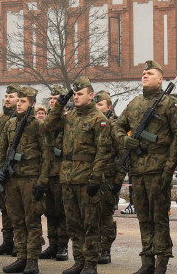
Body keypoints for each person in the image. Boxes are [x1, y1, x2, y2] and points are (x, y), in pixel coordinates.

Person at [114, 60, 177, 274]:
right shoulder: (135, 103)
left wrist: (169, 167)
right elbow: (117, 125)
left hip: (158, 168)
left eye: (150, 73)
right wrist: (124, 140)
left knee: (159, 217)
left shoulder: (170, 103)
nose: (145, 75)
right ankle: (147, 260)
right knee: (143, 216)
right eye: (144, 73)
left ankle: (162, 260)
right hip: (137, 168)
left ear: (160, 79)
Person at [45, 77, 114, 274]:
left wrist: (95, 178)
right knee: (73, 224)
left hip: (86, 180)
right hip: (67, 178)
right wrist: (59, 104)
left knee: (90, 224)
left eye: (79, 94)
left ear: (90, 96)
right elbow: (49, 126)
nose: (76, 97)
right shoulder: (70, 117)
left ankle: (91, 264)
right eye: (74, 94)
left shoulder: (99, 120)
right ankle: (79, 261)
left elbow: (103, 152)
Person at [0, 85, 50, 274]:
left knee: (32, 221)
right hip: (12, 180)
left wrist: (42, 181)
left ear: (32, 104)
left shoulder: (39, 125)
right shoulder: (10, 124)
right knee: (17, 221)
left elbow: (47, 154)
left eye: (23, 101)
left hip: (30, 179)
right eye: (18, 101)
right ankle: (21, 256)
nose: (18, 104)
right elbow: (1, 150)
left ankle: (32, 260)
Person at [93, 90, 124, 266]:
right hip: (92, 176)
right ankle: (93, 248)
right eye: (95, 105)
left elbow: (123, 156)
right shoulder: (93, 124)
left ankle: (105, 249)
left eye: (100, 105)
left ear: (109, 107)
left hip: (109, 177)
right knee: (91, 215)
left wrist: (118, 180)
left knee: (105, 216)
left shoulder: (116, 126)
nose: (97, 108)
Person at [0, 84, 21, 257]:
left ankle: (19, 243)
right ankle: (7, 241)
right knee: (4, 208)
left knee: (16, 209)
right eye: (7, 97)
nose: (8, 99)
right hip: (0, 169)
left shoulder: (22, 119)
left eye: (12, 97)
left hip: (16, 171)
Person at [41, 85, 70, 262]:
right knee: (50, 211)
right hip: (47, 172)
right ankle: (52, 244)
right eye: (51, 98)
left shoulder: (67, 119)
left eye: (56, 98)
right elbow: (47, 126)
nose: (53, 101)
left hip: (62, 172)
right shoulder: (48, 119)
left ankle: (62, 246)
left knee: (62, 211)